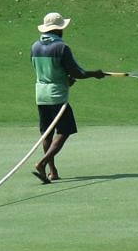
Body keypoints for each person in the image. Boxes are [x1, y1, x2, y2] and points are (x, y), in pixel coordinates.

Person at [31, 11, 106, 183]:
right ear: (58, 30)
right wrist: (95, 74)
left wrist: (66, 79)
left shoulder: (35, 46)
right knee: (65, 131)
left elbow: (45, 70)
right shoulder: (61, 47)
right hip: (57, 96)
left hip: (40, 94)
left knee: (47, 133)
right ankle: (42, 164)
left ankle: (53, 171)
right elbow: (77, 73)